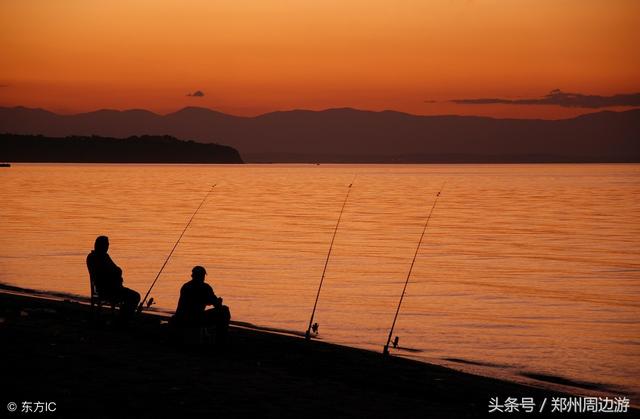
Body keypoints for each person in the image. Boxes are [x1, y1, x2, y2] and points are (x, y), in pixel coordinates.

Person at [86, 235, 140, 322]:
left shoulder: (93, 257)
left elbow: (115, 270)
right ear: (101, 245)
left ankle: (124, 317)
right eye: (106, 245)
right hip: (109, 290)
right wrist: (117, 274)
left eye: (108, 244)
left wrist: (116, 273)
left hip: (105, 289)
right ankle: (124, 319)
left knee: (131, 296)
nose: (108, 247)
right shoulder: (101, 257)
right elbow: (114, 270)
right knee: (135, 296)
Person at [173, 266, 231, 344]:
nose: (203, 278)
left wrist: (213, 302)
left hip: (181, 318)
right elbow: (216, 304)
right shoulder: (205, 287)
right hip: (195, 319)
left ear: (192, 276)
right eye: (203, 275)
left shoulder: (185, 286)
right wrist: (218, 302)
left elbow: (204, 300)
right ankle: (221, 340)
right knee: (224, 310)